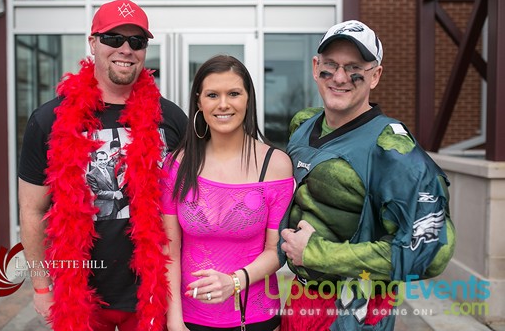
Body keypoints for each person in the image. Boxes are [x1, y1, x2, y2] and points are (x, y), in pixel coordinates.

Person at [18, 0, 187, 331]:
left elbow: (191, 202)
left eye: (136, 41)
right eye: (113, 39)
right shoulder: (48, 120)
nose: (125, 49)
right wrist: (41, 286)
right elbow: (31, 210)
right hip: (79, 297)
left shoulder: (171, 119)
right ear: (93, 42)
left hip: (152, 294)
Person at [279, 20, 456, 330]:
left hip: (354, 309)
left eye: (354, 67)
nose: (339, 77)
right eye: (330, 65)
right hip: (301, 297)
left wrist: (319, 253)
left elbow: (433, 249)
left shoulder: (393, 149)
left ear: (376, 75)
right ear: (315, 66)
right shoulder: (303, 124)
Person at [161, 55, 295, 331]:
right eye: (212, 95)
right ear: (199, 102)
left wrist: (235, 281)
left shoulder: (276, 165)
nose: (223, 104)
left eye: (233, 93)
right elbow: (169, 250)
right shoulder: (177, 164)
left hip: (254, 318)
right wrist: (174, 322)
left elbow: (275, 251)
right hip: (189, 319)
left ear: (248, 99)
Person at [86, 150, 124, 220]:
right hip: (103, 209)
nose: (103, 162)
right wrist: (114, 194)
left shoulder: (112, 169)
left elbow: (119, 182)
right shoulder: (91, 175)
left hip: (115, 206)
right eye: (100, 160)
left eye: (105, 159)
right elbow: (98, 192)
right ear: (96, 160)